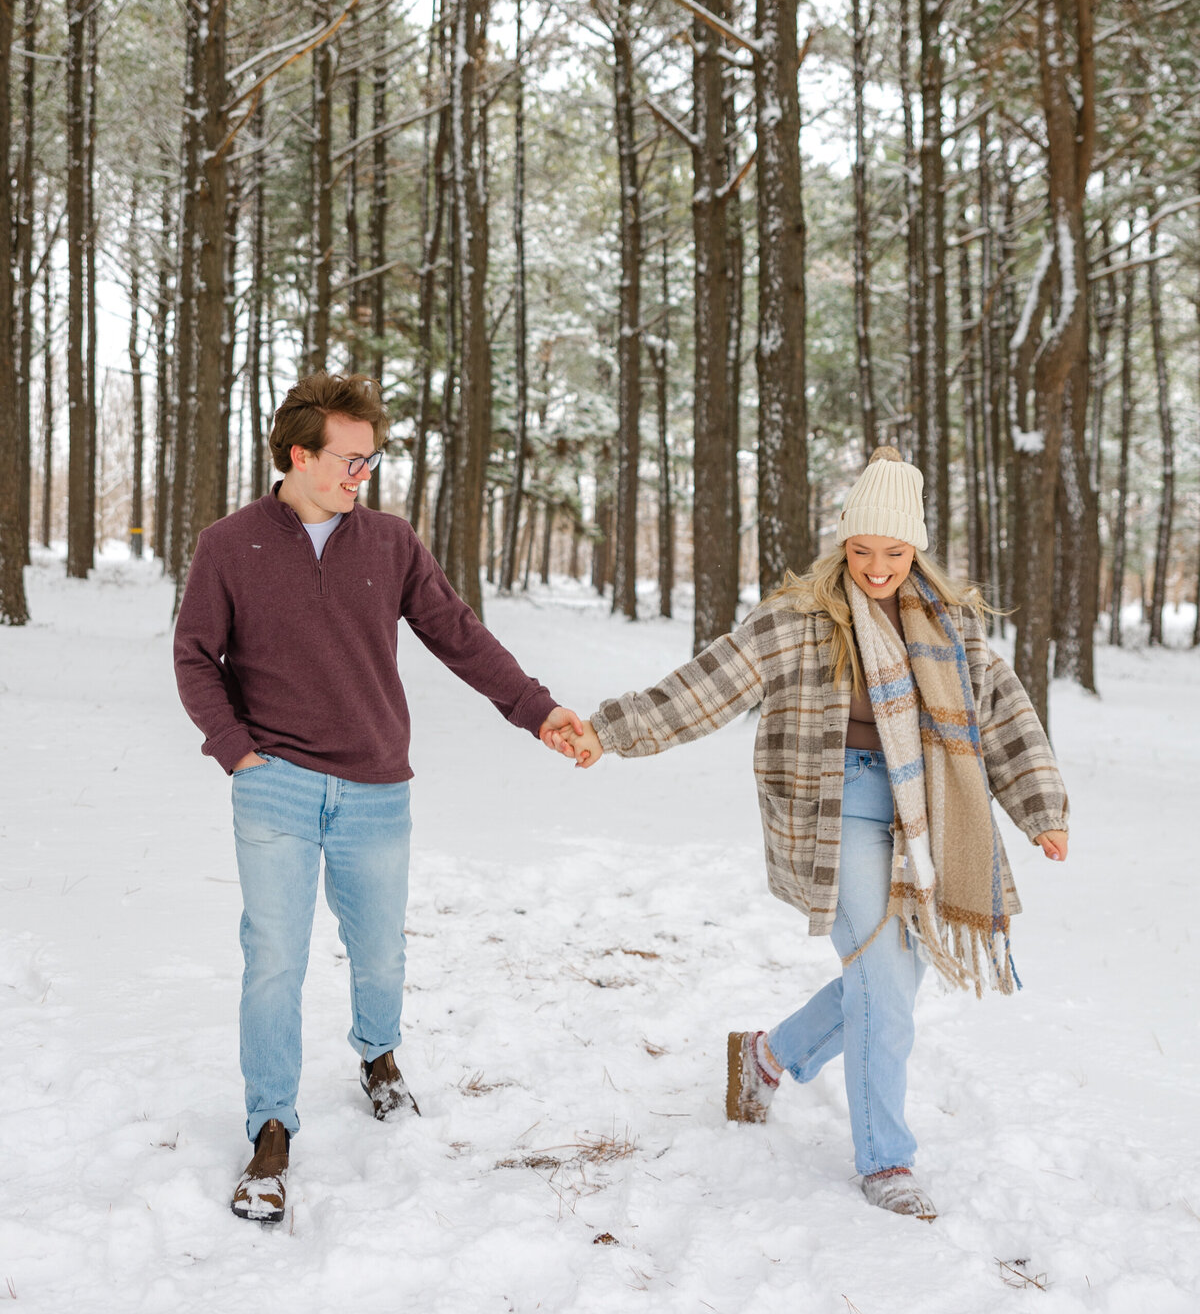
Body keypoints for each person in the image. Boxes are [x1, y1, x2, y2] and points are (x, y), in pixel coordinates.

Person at [557, 448, 1069, 1220]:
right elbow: (705, 688)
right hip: (835, 811)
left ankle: (767, 1057)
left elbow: (1004, 715)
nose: (876, 567)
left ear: (916, 549)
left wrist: (1043, 809)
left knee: (893, 977)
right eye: (862, 551)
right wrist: (608, 731)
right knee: (883, 985)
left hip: (922, 813)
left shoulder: (951, 624)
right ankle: (887, 1162)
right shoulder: (798, 618)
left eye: (894, 553)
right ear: (843, 543)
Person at [174, 371, 584, 1223]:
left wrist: (537, 711)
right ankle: (272, 1130)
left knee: (381, 953)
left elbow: (459, 636)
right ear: (300, 454)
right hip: (275, 786)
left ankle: (378, 1055)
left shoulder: (391, 544)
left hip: (374, 790)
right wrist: (237, 752)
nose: (364, 476)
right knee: (275, 958)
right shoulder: (228, 544)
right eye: (351, 460)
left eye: (372, 461)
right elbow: (194, 657)